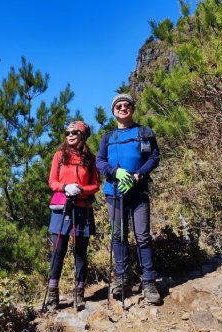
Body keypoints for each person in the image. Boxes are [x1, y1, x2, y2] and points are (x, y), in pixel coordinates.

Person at [96, 93, 162, 305]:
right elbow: (99, 161)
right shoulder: (108, 137)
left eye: (127, 105)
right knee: (119, 236)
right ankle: (123, 278)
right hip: (114, 192)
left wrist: (137, 175)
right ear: (113, 111)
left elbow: (154, 157)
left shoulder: (144, 132)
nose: (123, 108)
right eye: (119, 106)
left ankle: (149, 282)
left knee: (142, 236)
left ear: (132, 109)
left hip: (138, 191)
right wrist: (114, 172)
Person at [46, 121, 100, 311]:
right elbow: (52, 181)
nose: (69, 135)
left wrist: (81, 190)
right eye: (67, 132)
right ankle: (53, 295)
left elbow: (96, 185)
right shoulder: (59, 156)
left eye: (74, 132)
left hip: (82, 208)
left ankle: (79, 293)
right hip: (61, 206)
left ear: (83, 135)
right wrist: (64, 187)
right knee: (58, 252)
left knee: (80, 253)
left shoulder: (90, 159)